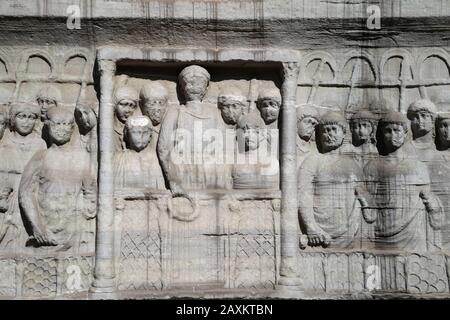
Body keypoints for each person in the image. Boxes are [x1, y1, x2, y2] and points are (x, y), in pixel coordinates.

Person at [19, 107, 96, 253]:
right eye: (57, 124)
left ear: (73, 128)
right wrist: (38, 227)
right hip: (45, 231)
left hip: (75, 231)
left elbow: (91, 193)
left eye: (66, 124)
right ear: (47, 126)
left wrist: (80, 220)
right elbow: (26, 193)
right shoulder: (41, 157)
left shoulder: (82, 158)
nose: (62, 129)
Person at [364, 111, 443, 251]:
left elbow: (429, 200)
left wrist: (434, 206)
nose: (393, 135)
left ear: (405, 133)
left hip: (413, 233)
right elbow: (370, 203)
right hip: (382, 230)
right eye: (388, 131)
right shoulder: (372, 166)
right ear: (382, 134)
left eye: (397, 130)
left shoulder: (418, 166)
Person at [298, 111, 368, 249]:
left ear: (343, 133)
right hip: (319, 232)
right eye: (326, 131)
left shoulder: (352, 164)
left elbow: (362, 196)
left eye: (334, 130)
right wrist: (311, 227)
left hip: (348, 229)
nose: (330, 134)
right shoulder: (312, 161)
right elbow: (303, 194)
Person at [158, 65, 228, 194]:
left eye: (199, 83)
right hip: (182, 171)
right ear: (181, 87)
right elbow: (164, 147)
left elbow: (223, 148)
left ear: (206, 87)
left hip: (210, 172)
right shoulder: (175, 111)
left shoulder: (214, 113)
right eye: (189, 82)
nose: (195, 86)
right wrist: (173, 180)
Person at [114, 115, 166, 190]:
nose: (141, 136)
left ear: (150, 136)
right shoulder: (119, 159)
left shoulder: (155, 159)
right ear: (127, 134)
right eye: (135, 132)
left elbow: (161, 189)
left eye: (145, 132)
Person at [232, 112, 279, 190]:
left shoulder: (272, 161)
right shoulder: (235, 162)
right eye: (244, 132)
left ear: (262, 135)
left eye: (254, 131)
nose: (248, 135)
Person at [113, 85, 139, 151]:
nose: (127, 110)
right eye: (123, 104)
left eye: (131, 106)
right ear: (115, 105)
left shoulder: (138, 131)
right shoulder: (109, 129)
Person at [296, 104, 319, 170]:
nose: (310, 127)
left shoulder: (314, 147)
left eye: (313, 125)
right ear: (297, 122)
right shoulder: (290, 144)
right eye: (307, 122)